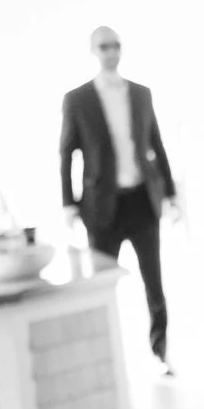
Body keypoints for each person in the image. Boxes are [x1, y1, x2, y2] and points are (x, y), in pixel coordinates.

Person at [60, 25, 179, 375]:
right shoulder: (77, 99)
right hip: (101, 208)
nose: (111, 51)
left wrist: (170, 193)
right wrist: (69, 203)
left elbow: (157, 144)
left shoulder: (141, 94)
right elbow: (67, 154)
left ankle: (161, 352)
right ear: (93, 51)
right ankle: (103, 358)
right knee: (101, 286)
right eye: (103, 46)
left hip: (143, 201)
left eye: (116, 45)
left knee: (154, 282)